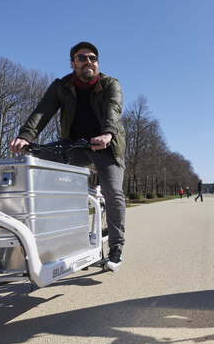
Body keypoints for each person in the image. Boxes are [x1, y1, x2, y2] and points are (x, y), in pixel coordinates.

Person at [9, 41, 127, 272]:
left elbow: (113, 110)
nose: (88, 62)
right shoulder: (60, 86)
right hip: (74, 145)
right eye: (82, 58)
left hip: (106, 146)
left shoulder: (110, 84)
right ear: (72, 64)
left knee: (113, 192)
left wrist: (107, 134)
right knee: (38, 161)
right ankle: (61, 240)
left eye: (93, 58)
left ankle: (116, 247)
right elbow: (42, 111)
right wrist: (24, 136)